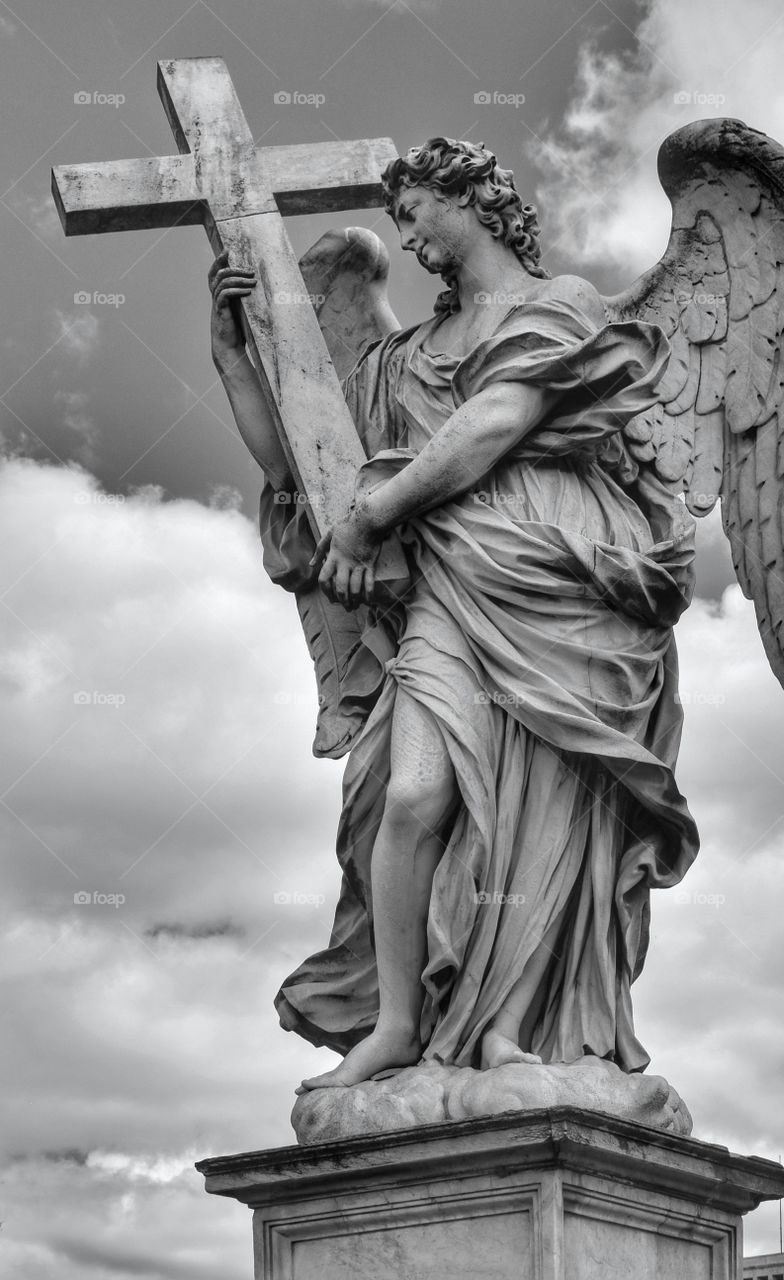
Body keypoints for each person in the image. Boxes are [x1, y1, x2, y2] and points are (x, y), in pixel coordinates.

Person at [209, 137, 699, 1092]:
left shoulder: (560, 308)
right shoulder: (399, 359)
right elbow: (307, 471)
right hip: (449, 587)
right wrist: (235, 362)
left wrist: (372, 520)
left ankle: (510, 1028)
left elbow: (494, 425)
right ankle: (397, 1024)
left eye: (416, 210)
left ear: (472, 199)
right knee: (409, 795)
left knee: (544, 807)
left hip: (561, 579)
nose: (406, 233)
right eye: (397, 221)